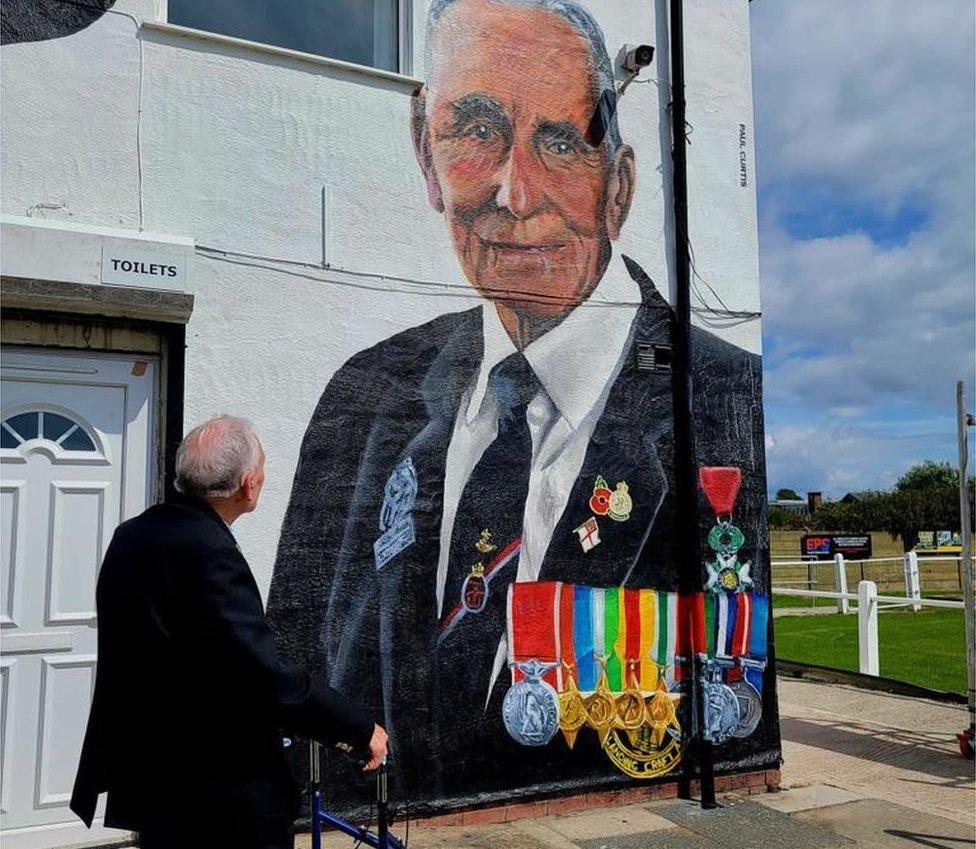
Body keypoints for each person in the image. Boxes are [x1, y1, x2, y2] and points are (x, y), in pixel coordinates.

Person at [268, 0, 765, 800]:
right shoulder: (362, 397)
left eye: (563, 142)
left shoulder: (727, 399)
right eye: (475, 130)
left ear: (620, 186)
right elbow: (292, 683)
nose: (514, 190)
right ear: (425, 155)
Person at [71, 415, 388, 848]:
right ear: (248, 485)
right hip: (222, 793)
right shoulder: (210, 550)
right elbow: (261, 672)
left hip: (154, 780)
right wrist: (357, 727)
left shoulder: (132, 536)